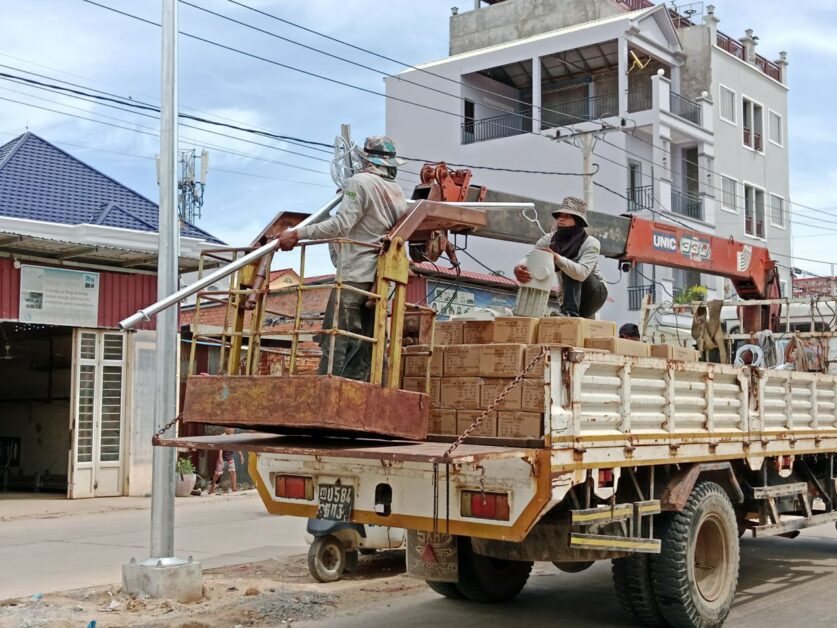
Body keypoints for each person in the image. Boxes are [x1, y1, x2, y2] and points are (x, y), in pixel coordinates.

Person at [278, 136, 408, 381]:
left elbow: (341, 224)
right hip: (379, 281)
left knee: (336, 341)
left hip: (354, 276)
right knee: (370, 344)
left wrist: (297, 234)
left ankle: (327, 390)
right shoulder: (397, 192)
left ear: (365, 160)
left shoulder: (359, 182)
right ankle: (375, 389)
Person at [514, 196, 607, 318]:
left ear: (578, 220)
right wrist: (519, 267)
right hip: (566, 297)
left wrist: (557, 258)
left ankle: (570, 313)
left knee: (571, 265)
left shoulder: (591, 243)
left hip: (594, 295)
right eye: (560, 216)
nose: (561, 219)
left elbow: (581, 273)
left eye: (567, 216)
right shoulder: (548, 240)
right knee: (538, 264)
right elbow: (530, 258)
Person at [209, 429, 245, 494]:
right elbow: (220, 447)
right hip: (223, 457)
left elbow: (236, 446)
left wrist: (241, 456)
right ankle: (212, 486)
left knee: (233, 472)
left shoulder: (233, 437)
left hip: (230, 457)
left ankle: (234, 488)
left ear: (233, 429)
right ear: (225, 428)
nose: (229, 429)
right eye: (228, 427)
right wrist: (220, 457)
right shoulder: (222, 436)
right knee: (217, 474)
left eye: (231, 428)